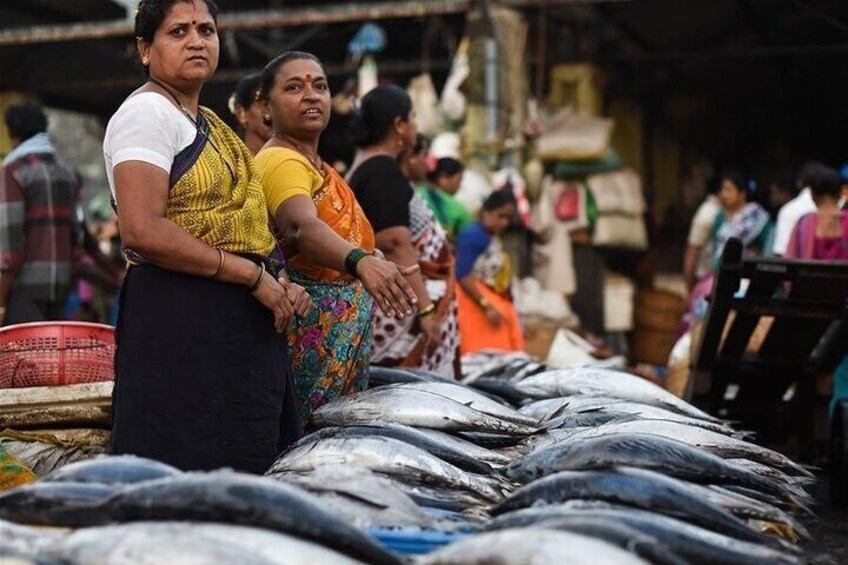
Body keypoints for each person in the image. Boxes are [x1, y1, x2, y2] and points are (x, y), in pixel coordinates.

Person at [103, 0, 311, 473]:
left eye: (206, 29)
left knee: (242, 471)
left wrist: (277, 279)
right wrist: (249, 276)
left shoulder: (208, 124)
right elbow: (142, 230)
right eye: (178, 32)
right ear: (144, 48)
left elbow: (246, 227)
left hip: (233, 329)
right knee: (183, 472)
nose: (197, 41)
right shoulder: (147, 115)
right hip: (182, 322)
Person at [254, 52, 420, 422]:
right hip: (307, 344)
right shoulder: (280, 160)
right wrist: (360, 262)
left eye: (320, 86)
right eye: (294, 87)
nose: (311, 96)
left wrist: (370, 256)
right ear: (266, 107)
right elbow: (301, 227)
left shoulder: (316, 165)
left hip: (338, 346)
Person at [346, 85, 458, 376]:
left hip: (401, 305)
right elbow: (395, 243)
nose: (416, 126)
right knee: (413, 394)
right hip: (404, 313)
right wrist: (426, 310)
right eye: (413, 118)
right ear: (399, 125)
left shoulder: (369, 167)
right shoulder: (381, 170)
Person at [0, 103, 82, 326]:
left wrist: (0, 301)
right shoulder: (67, 171)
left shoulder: (14, 171)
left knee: (23, 359)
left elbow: (11, 247)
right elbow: (77, 235)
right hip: (62, 289)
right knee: (52, 358)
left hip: (23, 290)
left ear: (11, 133)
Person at [784, 167, 848, 419]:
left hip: (807, 318)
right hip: (843, 320)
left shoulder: (804, 224)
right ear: (838, 192)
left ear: (812, 194)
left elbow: (790, 271)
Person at [455, 189, 525, 354]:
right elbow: (462, 275)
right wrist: (487, 306)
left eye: (508, 218)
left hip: (489, 303)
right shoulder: (473, 236)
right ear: (487, 211)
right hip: (475, 306)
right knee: (483, 355)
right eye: (501, 216)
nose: (505, 223)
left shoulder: (488, 235)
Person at [418, 157, 473, 242]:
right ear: (444, 178)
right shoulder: (456, 208)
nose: (460, 186)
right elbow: (469, 238)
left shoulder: (416, 193)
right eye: (459, 180)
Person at [772, 161, 820, 256]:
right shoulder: (841, 208)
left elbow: (780, 252)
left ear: (799, 183)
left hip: (796, 269)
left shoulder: (788, 210)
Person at [683, 183, 721, 291]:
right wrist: (690, 287)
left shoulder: (721, 212)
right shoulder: (708, 212)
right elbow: (692, 250)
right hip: (704, 279)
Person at [228, 72, 271, 155]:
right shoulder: (230, 164)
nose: (271, 111)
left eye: (275, 103)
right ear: (241, 114)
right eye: (264, 104)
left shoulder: (293, 158)